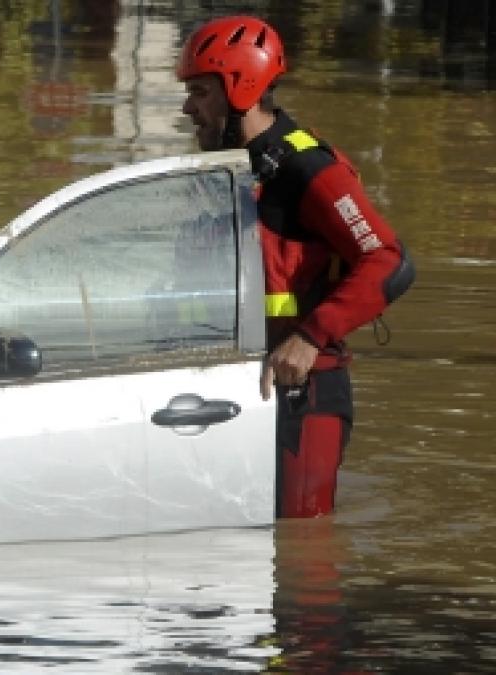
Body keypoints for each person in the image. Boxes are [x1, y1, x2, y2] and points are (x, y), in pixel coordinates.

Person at [175, 15, 415, 518]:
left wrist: (310, 338)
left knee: (303, 559)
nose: (187, 107)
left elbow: (388, 260)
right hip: (228, 386)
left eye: (199, 92)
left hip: (300, 395)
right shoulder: (227, 168)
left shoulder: (309, 170)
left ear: (238, 87)